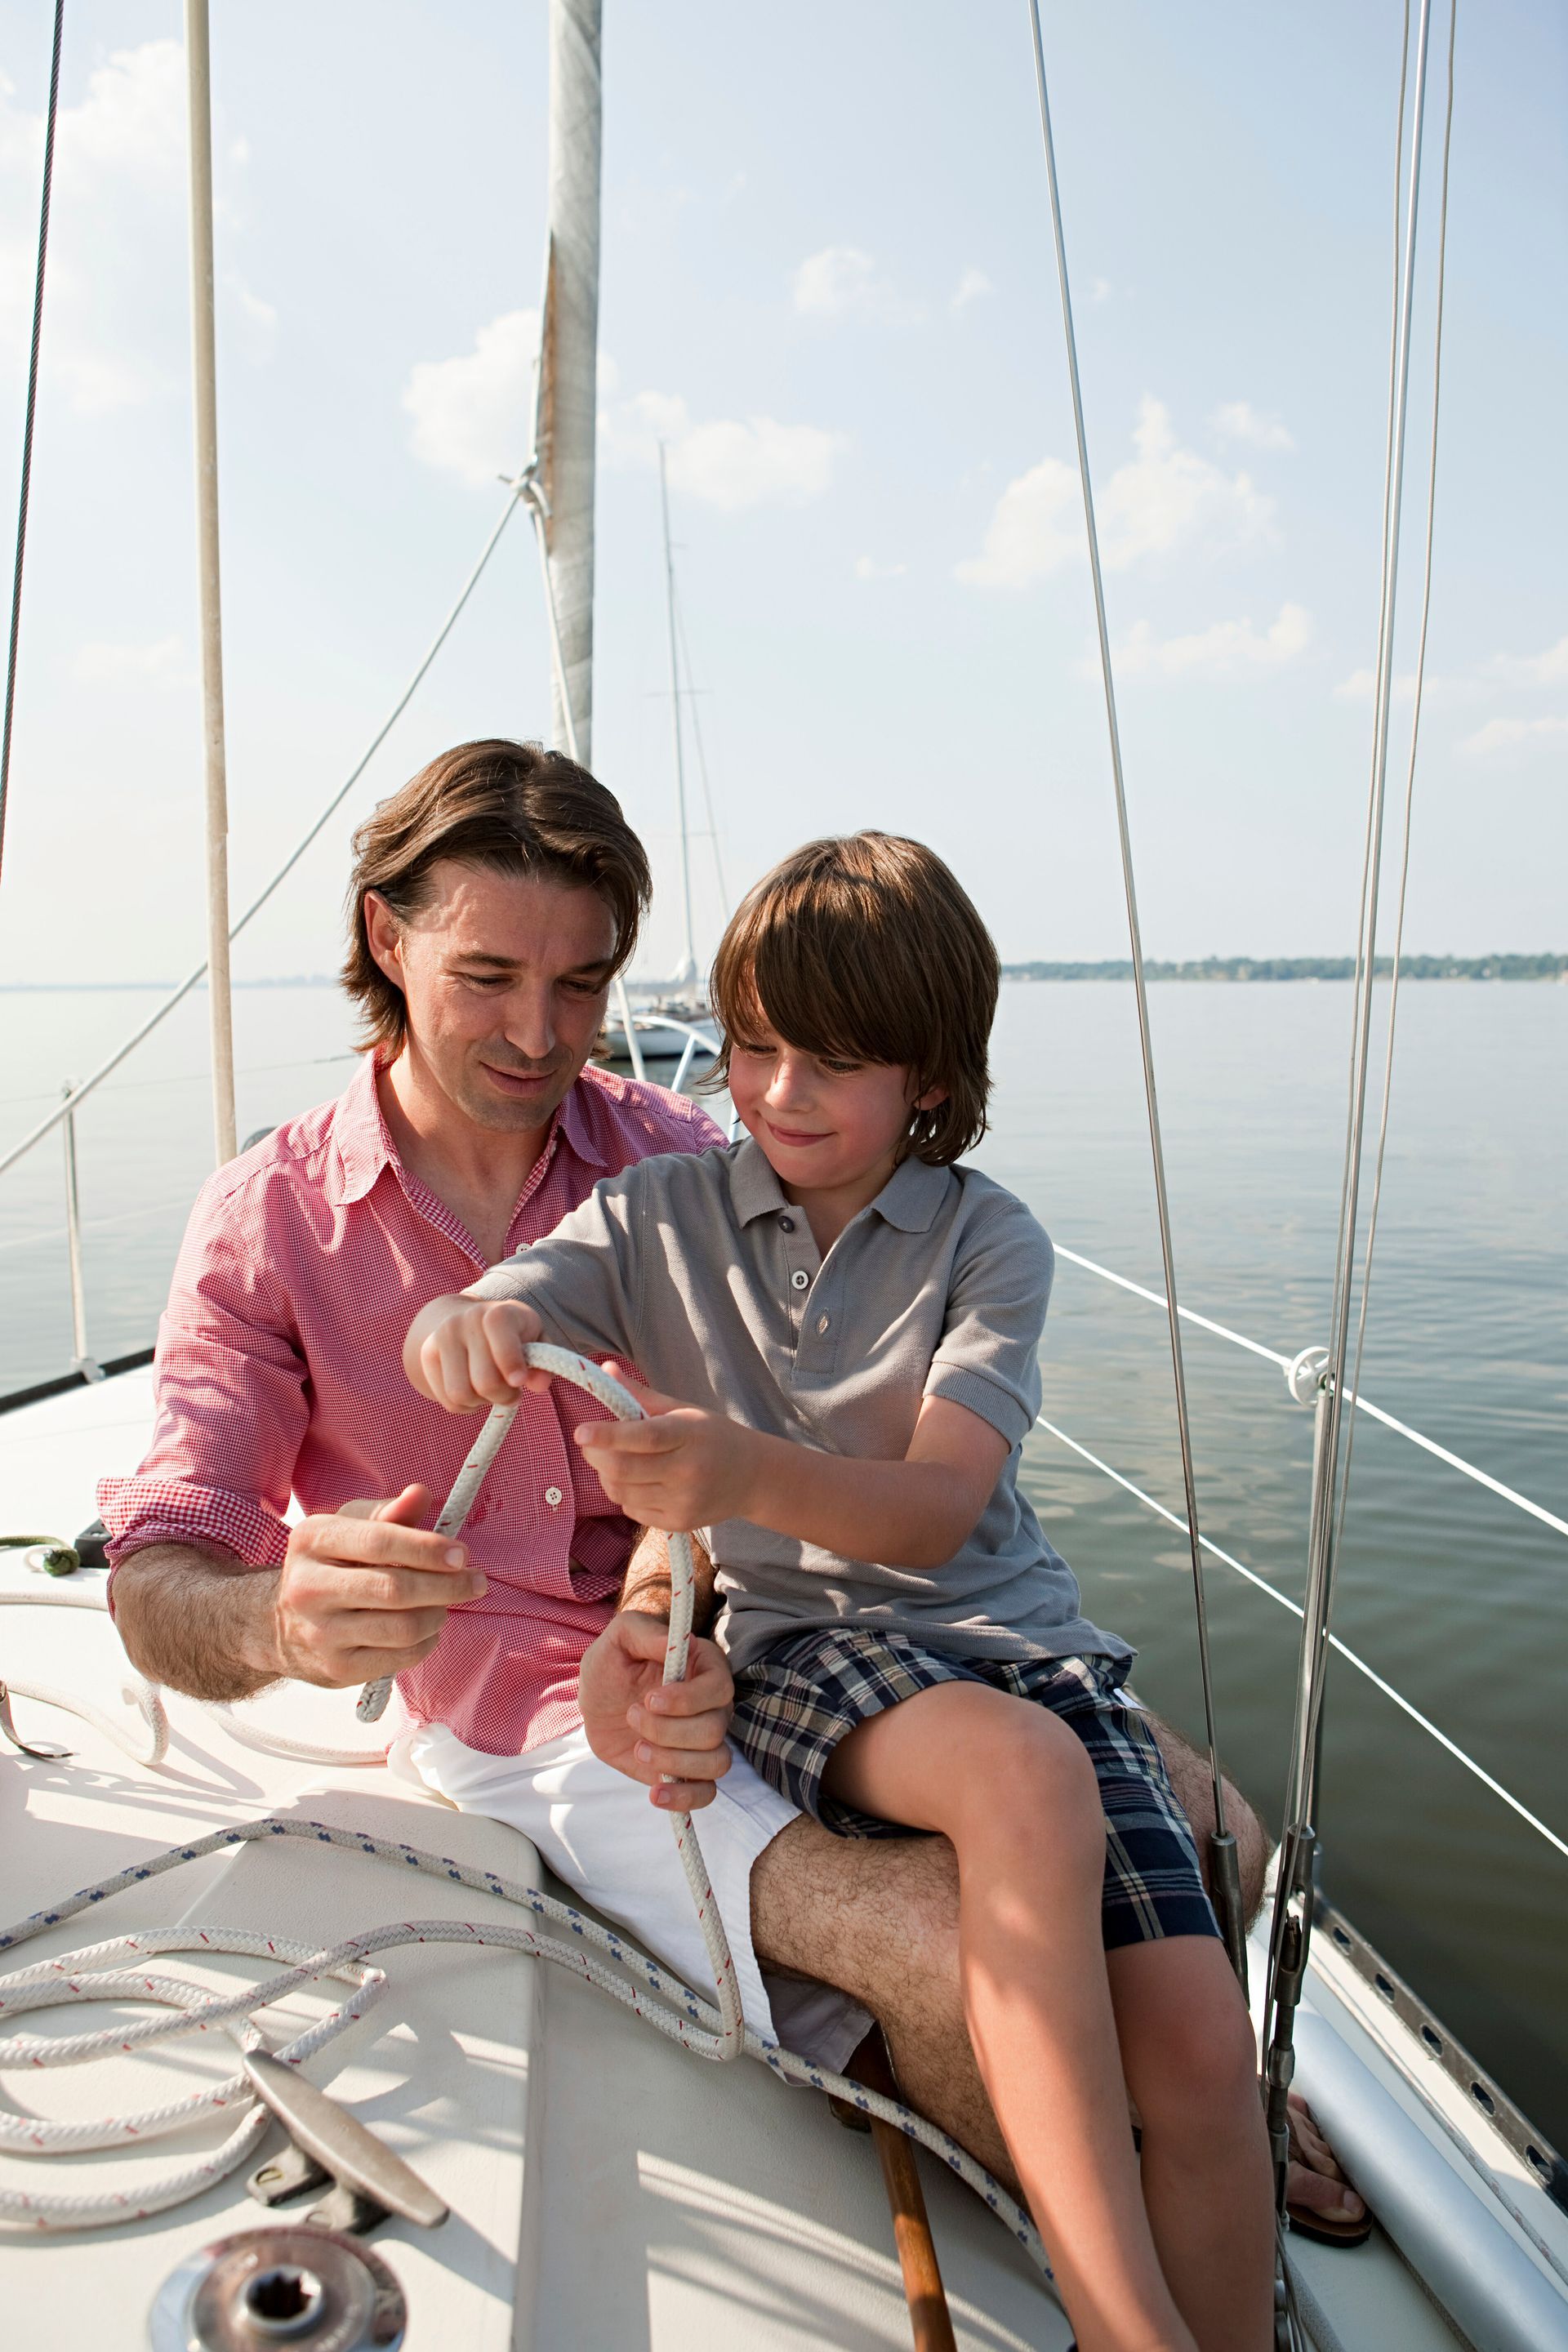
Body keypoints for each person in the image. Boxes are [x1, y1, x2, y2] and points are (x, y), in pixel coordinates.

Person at [103, 738, 1362, 2265]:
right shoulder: (268, 1218)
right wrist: (284, 1624)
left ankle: (1198, 2104)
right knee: (961, 1949)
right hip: (521, 1708)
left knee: (1218, 1829)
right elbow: (162, 1576)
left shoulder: (689, 1153)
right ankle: (1121, 2224)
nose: (539, 1033)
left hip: (762, 1623)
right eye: (490, 974)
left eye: (583, 987)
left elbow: (807, 1448)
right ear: (388, 937)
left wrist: (653, 1610)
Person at [404, 833, 1273, 2351]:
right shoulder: (658, 1214)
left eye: (837, 1061)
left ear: (930, 1079)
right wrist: (457, 1333)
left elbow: (939, 1513)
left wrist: (733, 1466)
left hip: (1027, 1645)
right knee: (1019, 1771)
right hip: (824, 1648)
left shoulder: (990, 1242)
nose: (782, 1093)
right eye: (754, 1047)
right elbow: (502, 1303)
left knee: (1203, 2055)